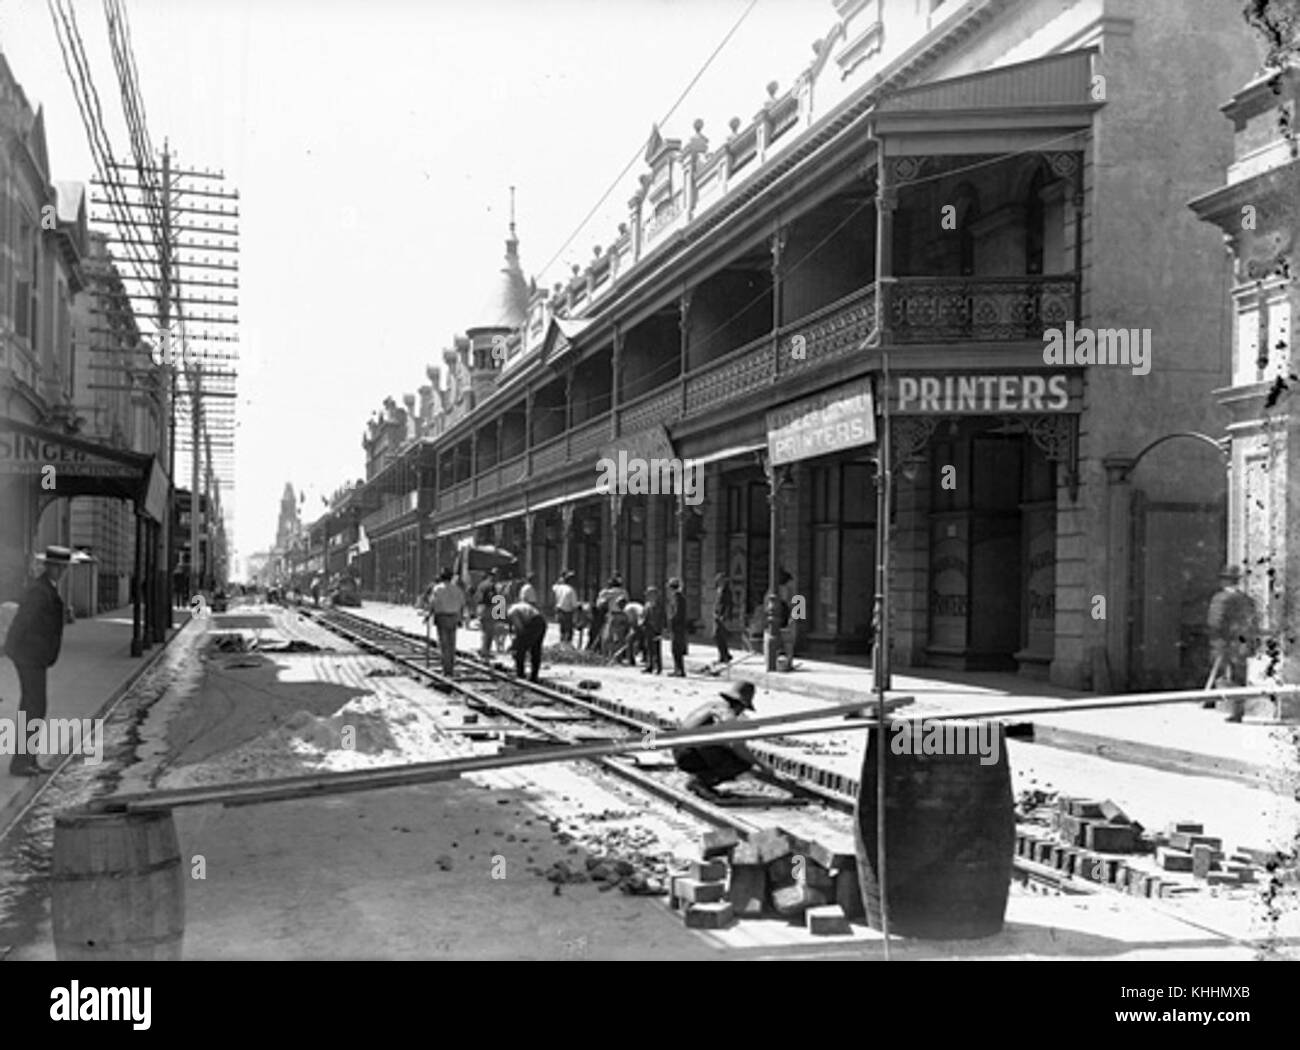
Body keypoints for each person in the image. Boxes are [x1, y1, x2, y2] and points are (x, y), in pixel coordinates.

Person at [3, 546, 71, 776]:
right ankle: (21, 763)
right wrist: (11, 649)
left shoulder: (45, 588)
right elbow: (22, 622)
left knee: (34, 708)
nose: (60, 571)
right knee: (34, 707)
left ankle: (28, 760)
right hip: (29, 656)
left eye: (63, 568)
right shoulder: (39, 591)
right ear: (48, 566)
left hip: (35, 656)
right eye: (57, 567)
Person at [673, 681, 761, 797]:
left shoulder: (712, 705)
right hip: (690, 753)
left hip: (678, 750)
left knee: (720, 750)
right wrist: (759, 764)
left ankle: (701, 779)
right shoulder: (728, 715)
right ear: (741, 705)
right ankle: (700, 781)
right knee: (741, 763)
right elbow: (737, 746)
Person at [1205, 564, 1260, 723]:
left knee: (1222, 674)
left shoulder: (1221, 598)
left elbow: (1215, 622)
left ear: (1224, 581)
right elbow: (1253, 622)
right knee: (1239, 676)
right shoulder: (1247, 600)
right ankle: (1238, 710)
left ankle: (1217, 701)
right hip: (1242, 643)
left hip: (1225, 643)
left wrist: (1217, 639)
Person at [426, 568, 466, 677]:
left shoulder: (437, 589)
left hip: (442, 617)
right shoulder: (457, 589)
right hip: (454, 617)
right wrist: (461, 618)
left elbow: (432, 603)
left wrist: (428, 615)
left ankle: (446, 669)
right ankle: (451, 669)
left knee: (444, 645)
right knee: (452, 643)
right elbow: (462, 603)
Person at [506, 599, 547, 682]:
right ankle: (534, 676)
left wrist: (514, 644)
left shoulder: (511, 612)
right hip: (542, 622)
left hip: (534, 622)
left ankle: (520, 673)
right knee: (536, 650)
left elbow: (520, 629)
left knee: (520, 648)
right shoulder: (517, 607)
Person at [474, 568, 500, 658]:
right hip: (488, 608)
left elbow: (476, 597)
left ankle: (483, 649)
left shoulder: (481, 584)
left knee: (484, 630)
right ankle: (485, 651)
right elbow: (492, 597)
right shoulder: (491, 586)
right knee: (489, 632)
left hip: (480, 608)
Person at [667, 577, 688, 677]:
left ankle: (679, 670)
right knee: (676, 649)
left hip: (677, 627)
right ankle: (678, 669)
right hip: (678, 626)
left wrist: (671, 622)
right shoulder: (679, 597)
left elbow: (676, 613)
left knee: (676, 649)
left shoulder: (677, 598)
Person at [641, 585, 664, 674]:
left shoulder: (659, 605)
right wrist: (642, 623)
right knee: (648, 648)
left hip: (656, 629)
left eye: (651, 594)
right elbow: (643, 615)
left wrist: (660, 630)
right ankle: (649, 666)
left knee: (656, 649)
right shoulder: (647, 605)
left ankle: (658, 667)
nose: (649, 596)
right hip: (648, 629)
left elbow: (661, 618)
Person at [712, 572, 734, 665]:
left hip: (722, 616)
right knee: (718, 636)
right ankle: (724, 655)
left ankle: (724, 655)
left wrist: (725, 615)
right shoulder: (718, 590)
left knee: (719, 635)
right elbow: (717, 603)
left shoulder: (727, 592)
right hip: (717, 615)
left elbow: (729, 604)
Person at [552, 571, 579, 645]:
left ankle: (561, 645)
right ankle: (567, 647)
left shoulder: (559, 588)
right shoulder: (571, 590)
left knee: (562, 631)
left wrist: (561, 578)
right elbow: (574, 605)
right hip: (567, 613)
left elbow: (554, 587)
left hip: (559, 611)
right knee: (568, 632)